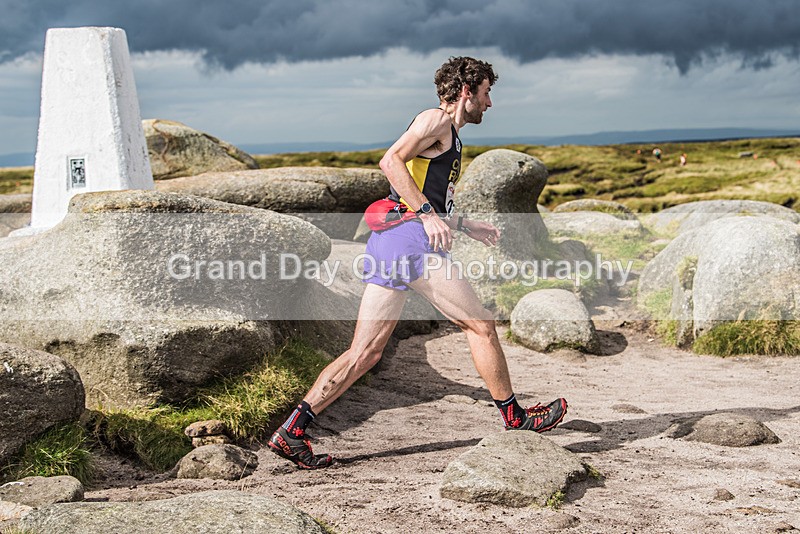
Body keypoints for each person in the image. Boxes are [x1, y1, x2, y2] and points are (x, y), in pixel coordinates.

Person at [269, 56, 568, 470]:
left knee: (365, 353)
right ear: (467, 92)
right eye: (486, 93)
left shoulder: (447, 135)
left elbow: (416, 183)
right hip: (411, 242)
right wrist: (428, 214)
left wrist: (461, 222)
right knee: (480, 325)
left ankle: (292, 431)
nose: (490, 103)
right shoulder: (436, 120)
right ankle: (515, 418)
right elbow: (390, 162)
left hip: (391, 241)